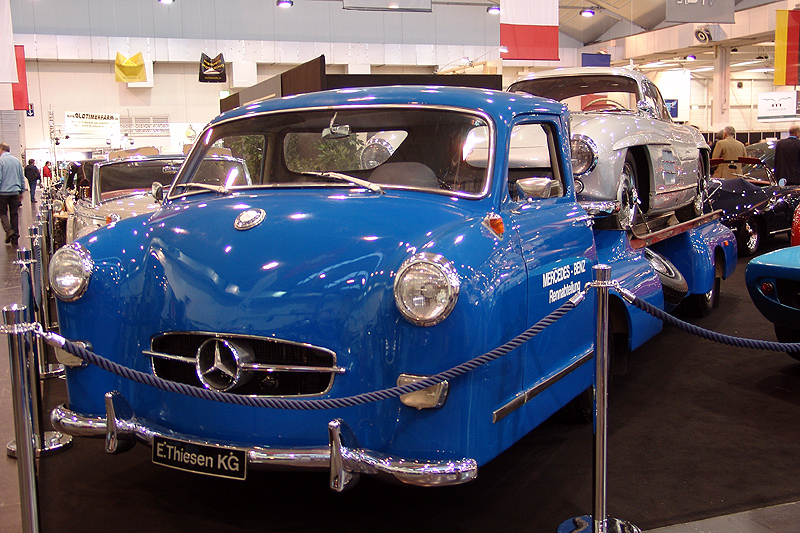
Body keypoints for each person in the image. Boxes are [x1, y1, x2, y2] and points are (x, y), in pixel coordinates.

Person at [0, 143, 26, 245]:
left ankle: (9, 231)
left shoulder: (1, 161)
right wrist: (21, 191)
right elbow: (21, 177)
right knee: (14, 214)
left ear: (1, 149)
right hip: (15, 192)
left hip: (3, 192)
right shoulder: (16, 161)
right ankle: (15, 237)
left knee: (2, 213)